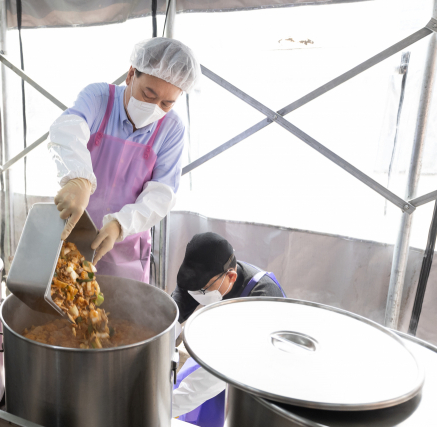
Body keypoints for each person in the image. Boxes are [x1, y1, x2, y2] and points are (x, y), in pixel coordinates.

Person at [48, 37, 200, 283]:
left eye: (166, 103)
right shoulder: (99, 98)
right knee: (64, 302)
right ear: (131, 75)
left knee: (120, 314)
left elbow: (162, 193)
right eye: (148, 95)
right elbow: (68, 128)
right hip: (74, 232)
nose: (155, 108)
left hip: (126, 248)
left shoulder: (172, 129)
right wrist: (78, 180)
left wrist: (120, 225)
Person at [171, 232, 285, 427]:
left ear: (231, 276)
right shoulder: (199, 281)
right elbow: (169, 323)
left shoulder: (264, 298)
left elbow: (225, 369)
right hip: (215, 355)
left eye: (202, 291)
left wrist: (163, 406)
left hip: (255, 372)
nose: (194, 294)